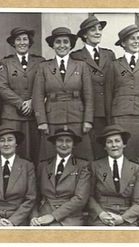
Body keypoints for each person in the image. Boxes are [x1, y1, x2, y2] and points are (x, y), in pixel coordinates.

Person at [32, 27, 94, 161]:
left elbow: (89, 96)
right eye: (58, 42)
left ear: (71, 45)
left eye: (65, 42)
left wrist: (88, 120)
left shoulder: (81, 66)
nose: (62, 45)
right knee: (50, 156)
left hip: (77, 117)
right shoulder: (44, 67)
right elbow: (38, 96)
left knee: (81, 156)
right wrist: (41, 121)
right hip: (52, 118)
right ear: (53, 45)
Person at [71, 15, 116, 160]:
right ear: (84, 34)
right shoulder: (76, 56)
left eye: (99, 29)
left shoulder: (109, 55)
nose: (98, 32)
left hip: (108, 111)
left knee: (107, 150)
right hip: (87, 112)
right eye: (93, 30)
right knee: (89, 151)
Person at [107, 24, 139, 160]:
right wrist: (111, 118)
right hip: (121, 115)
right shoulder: (115, 65)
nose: (136, 42)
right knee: (123, 151)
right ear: (123, 43)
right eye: (132, 39)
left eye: (138, 38)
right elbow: (109, 94)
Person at [0, 27, 45, 166]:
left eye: (25, 39)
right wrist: (20, 103)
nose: (22, 42)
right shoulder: (5, 63)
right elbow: (2, 87)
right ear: (13, 43)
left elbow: (44, 86)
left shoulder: (40, 62)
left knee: (34, 151)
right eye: (18, 39)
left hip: (33, 115)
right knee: (13, 150)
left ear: (29, 42)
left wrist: (32, 102)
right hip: (12, 115)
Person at [30, 128, 91, 226]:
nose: (64, 144)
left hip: (70, 217)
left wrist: (53, 216)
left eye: (68, 141)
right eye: (60, 140)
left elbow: (80, 198)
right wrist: (34, 216)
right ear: (54, 143)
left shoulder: (82, 165)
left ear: (73, 144)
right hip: (44, 214)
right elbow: (34, 195)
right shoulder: (43, 165)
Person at [88, 124, 139, 226]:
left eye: (117, 141)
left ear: (124, 144)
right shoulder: (95, 166)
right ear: (105, 147)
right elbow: (88, 196)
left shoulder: (135, 168)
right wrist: (101, 214)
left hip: (126, 216)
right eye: (109, 142)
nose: (114, 145)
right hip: (102, 216)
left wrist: (123, 218)